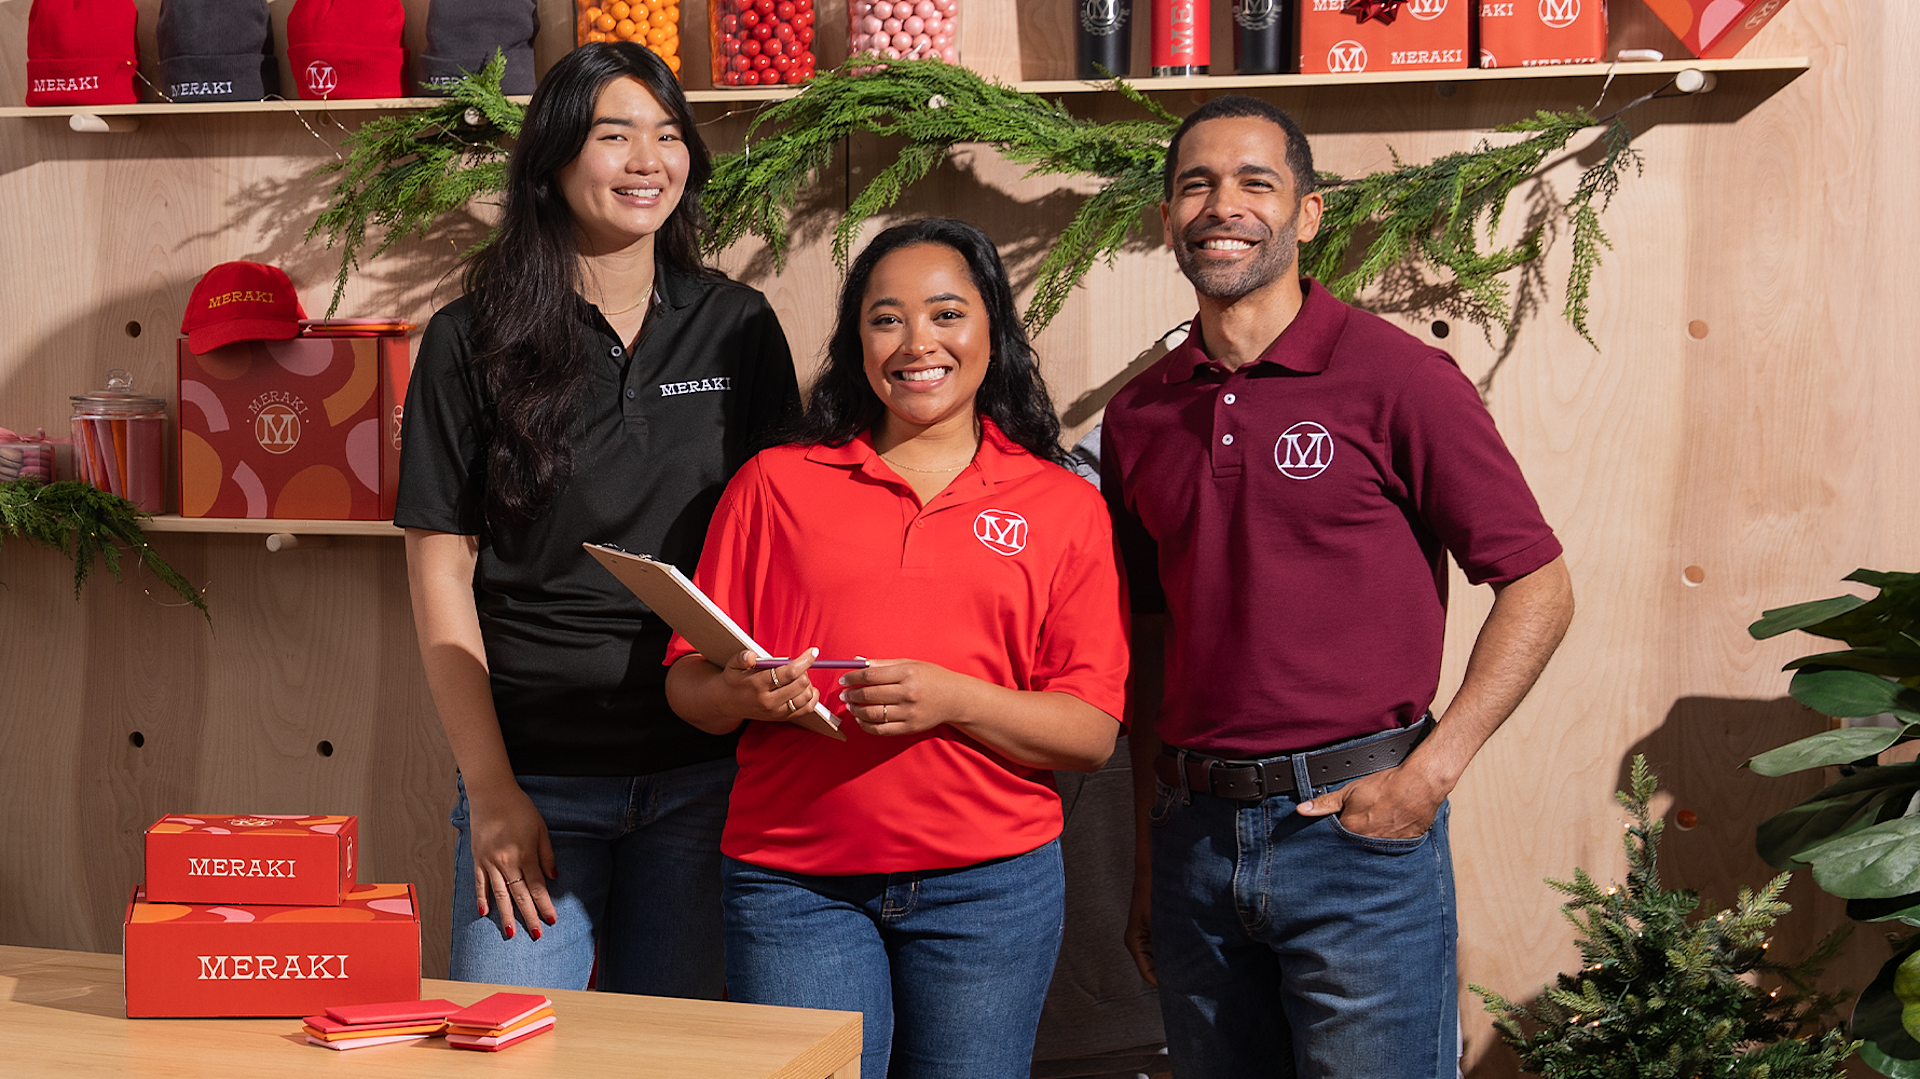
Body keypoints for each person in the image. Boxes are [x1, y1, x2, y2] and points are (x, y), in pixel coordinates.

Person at [1100, 95, 1576, 1079]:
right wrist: (1150, 852)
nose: (1222, 207)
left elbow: (1538, 582)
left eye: (1255, 183)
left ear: (1308, 213)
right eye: (1196, 185)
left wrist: (1428, 777)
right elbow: (1150, 636)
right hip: (1193, 841)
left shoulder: (1399, 379)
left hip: (1356, 835)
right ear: (1167, 218)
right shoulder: (1140, 413)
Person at [664, 218, 1129, 1079]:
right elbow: (687, 684)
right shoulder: (774, 484)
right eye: (887, 319)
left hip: (990, 888)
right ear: (857, 342)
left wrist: (955, 699)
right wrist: (739, 694)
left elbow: (1091, 732)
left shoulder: (1062, 505)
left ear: (994, 330)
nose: (918, 343)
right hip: (792, 884)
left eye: (947, 314)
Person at [395, 41, 800, 996]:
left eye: (667, 134)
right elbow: (442, 570)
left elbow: (786, 530)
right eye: (614, 134)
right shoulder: (470, 337)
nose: (647, 160)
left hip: (707, 776)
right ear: (553, 157)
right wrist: (492, 790)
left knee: (672, 1054)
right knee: (509, 1050)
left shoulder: (737, 325)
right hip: (535, 780)